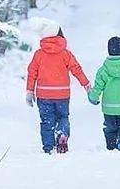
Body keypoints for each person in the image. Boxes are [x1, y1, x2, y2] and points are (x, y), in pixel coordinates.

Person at [25, 26, 91, 154]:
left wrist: (29, 91)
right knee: (62, 117)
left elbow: (32, 73)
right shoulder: (65, 53)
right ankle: (62, 134)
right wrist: (86, 85)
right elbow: (76, 69)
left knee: (46, 121)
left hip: (44, 95)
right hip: (62, 94)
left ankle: (48, 147)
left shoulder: (39, 54)